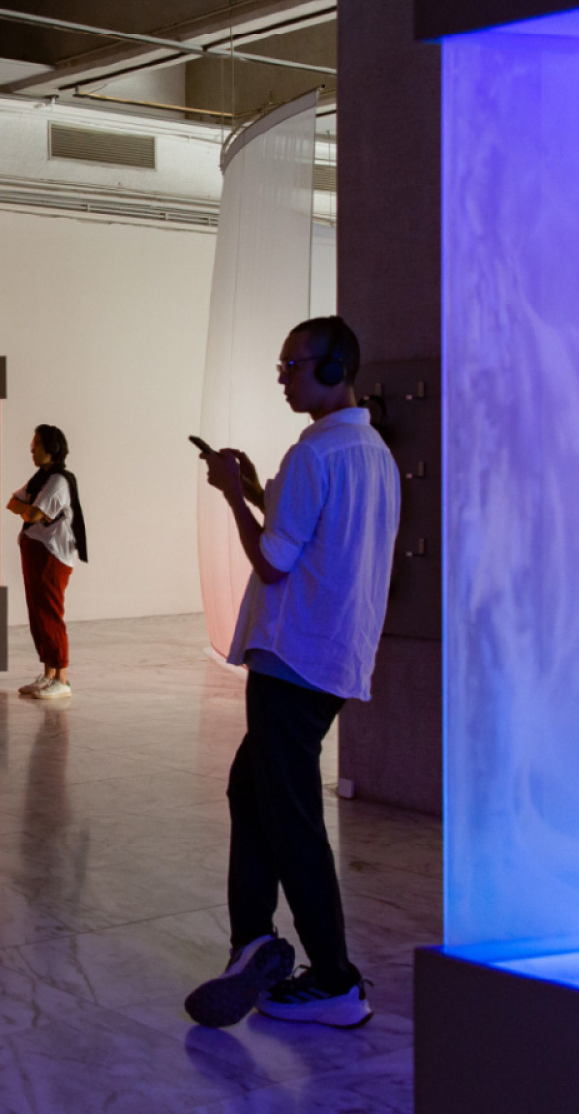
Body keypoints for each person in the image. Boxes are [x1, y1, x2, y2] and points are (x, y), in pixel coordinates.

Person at [182, 316, 399, 1030]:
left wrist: (226, 495)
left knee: (291, 817)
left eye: (293, 365)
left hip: (294, 658)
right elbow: (307, 535)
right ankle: (253, 943)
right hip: (330, 656)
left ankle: (335, 979)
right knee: (252, 791)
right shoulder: (369, 451)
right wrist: (252, 489)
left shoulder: (314, 453)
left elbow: (274, 563)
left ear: (335, 368)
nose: (283, 377)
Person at [6, 424, 87, 700]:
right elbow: (13, 503)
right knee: (37, 614)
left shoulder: (58, 481)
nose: (32, 449)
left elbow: (33, 515)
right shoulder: (41, 478)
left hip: (52, 554)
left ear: (52, 447)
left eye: (37, 444)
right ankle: (48, 674)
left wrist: (29, 509)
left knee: (50, 613)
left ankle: (61, 678)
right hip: (35, 550)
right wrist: (29, 509)